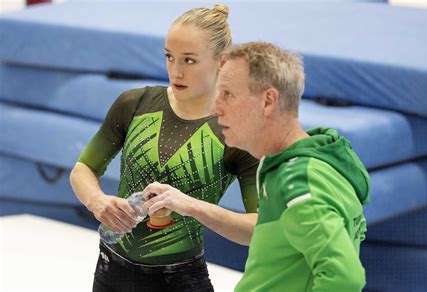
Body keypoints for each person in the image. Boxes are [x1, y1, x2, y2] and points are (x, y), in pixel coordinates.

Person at [69, 4, 259, 292]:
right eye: (169, 57)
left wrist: (192, 206)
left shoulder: (235, 129)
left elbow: (260, 228)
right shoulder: (135, 104)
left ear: (222, 62)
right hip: (111, 271)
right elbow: (83, 169)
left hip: (180, 279)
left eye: (189, 61)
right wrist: (97, 201)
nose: (176, 71)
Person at [210, 42, 371, 291]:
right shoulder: (297, 159)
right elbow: (277, 236)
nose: (215, 108)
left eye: (227, 95)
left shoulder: (298, 184)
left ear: (268, 101)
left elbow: (345, 279)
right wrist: (191, 207)